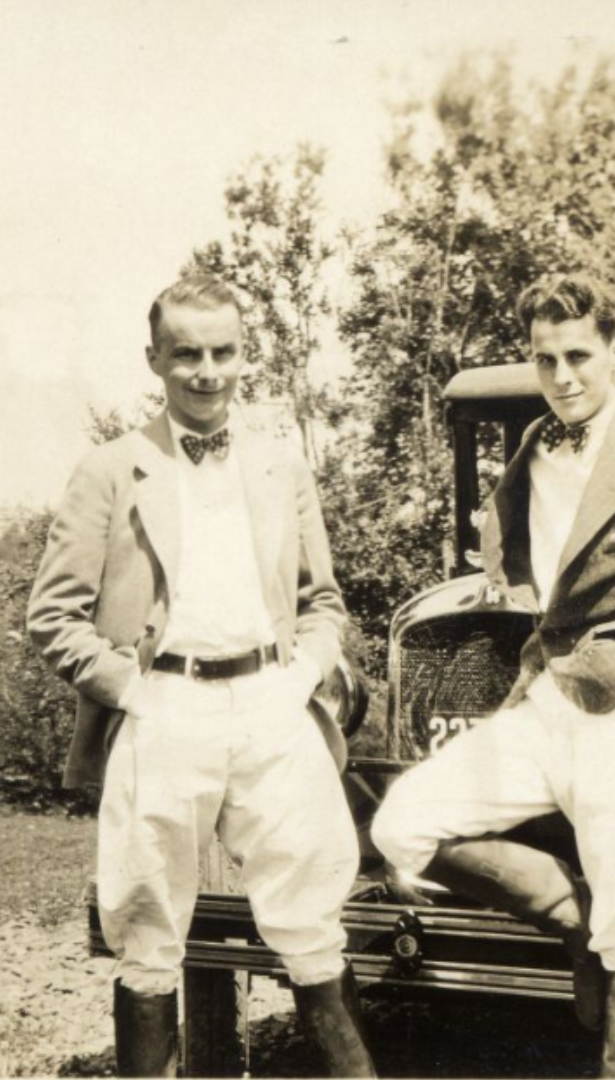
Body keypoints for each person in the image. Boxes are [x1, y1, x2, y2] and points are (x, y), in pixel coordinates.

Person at [372, 273, 615, 1078]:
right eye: (544, 359)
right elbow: (518, 551)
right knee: (402, 823)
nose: (563, 376)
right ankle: (573, 921)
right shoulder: (532, 446)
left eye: (579, 356)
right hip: (545, 702)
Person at [27, 276, 375, 1078]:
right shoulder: (112, 469)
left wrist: (303, 675)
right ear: (155, 359)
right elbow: (52, 616)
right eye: (187, 354)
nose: (207, 371)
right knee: (146, 928)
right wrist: (134, 690)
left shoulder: (281, 466)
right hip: (164, 709)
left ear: (245, 356)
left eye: (223, 352)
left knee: (315, 922)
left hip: (271, 704)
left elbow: (324, 601)